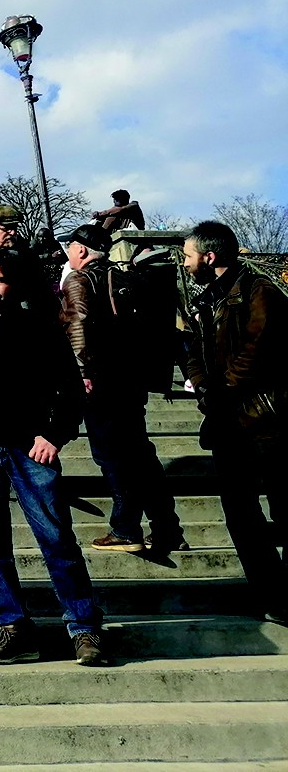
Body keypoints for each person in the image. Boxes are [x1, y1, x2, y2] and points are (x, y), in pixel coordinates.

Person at [0, 249, 107, 666]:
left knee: (56, 539)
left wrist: (54, 434)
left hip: (29, 448)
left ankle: (84, 627)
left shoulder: (39, 328)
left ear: (13, 284)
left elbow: (70, 388)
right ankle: (13, 626)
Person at [182, 220, 287, 624]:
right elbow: (193, 347)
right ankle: (273, 594)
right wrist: (202, 383)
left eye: (189, 257)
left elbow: (261, 347)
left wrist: (221, 388)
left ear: (210, 257)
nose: (186, 264)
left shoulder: (260, 292)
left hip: (268, 420)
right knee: (240, 516)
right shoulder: (205, 300)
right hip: (228, 424)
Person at [60, 224, 185, 556]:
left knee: (112, 456)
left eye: (70, 247)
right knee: (140, 454)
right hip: (131, 379)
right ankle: (168, 528)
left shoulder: (80, 279)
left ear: (82, 250)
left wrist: (83, 371)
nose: (68, 254)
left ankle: (125, 529)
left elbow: (79, 322)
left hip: (102, 381)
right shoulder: (122, 276)